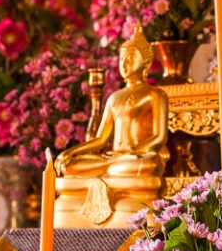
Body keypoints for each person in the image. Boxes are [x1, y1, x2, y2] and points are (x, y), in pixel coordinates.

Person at [55, 24, 169, 178]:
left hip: (136, 158)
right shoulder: (114, 97)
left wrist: (133, 152)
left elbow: (159, 137)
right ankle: (109, 168)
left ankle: (110, 168)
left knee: (148, 164)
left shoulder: (155, 94)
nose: (124, 63)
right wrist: (70, 151)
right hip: (114, 158)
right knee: (69, 166)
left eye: (130, 58)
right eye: (122, 58)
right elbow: (101, 139)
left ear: (146, 63)